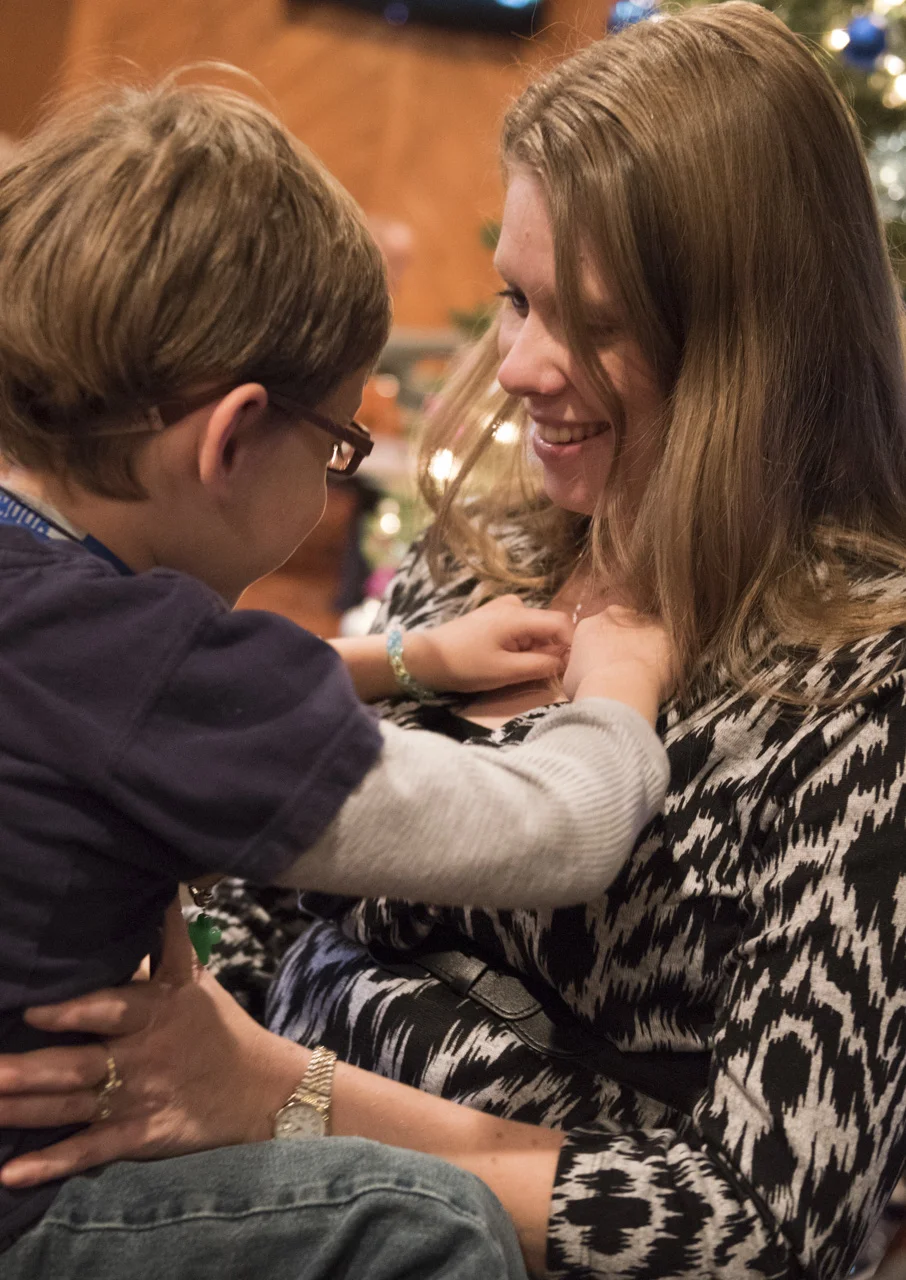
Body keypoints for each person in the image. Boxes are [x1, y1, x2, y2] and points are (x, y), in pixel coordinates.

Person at [3, 2, 906, 1277]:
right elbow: (271, 868)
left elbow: (757, 1227)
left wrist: (278, 1093)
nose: (522, 364)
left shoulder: (862, 694)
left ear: (747, 342)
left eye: (585, 320)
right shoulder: (494, 555)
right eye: (513, 298)